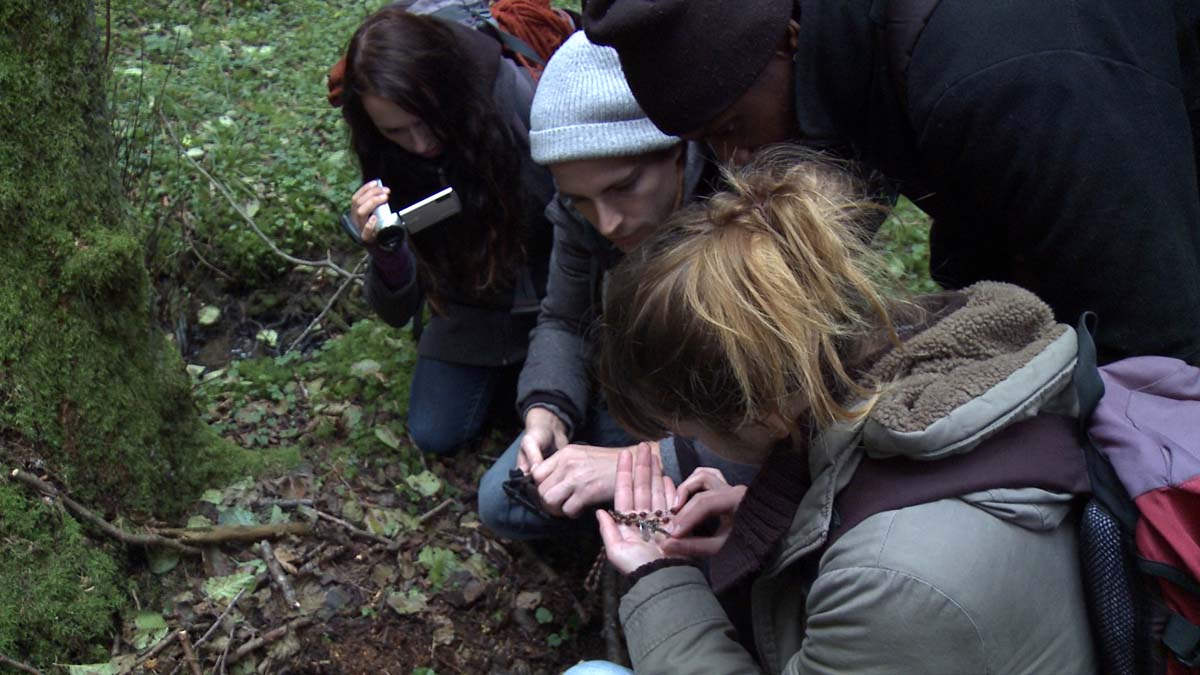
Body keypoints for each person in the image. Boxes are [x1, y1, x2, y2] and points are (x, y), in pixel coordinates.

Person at [582, 149, 1097, 673]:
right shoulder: (936, 372)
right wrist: (783, 516)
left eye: (680, 425)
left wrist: (659, 580)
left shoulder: (890, 577)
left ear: (764, 413)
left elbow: (889, 584)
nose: (680, 438)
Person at [582, 0, 1200, 365]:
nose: (738, 162)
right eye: (710, 145)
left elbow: (1154, 343)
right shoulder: (852, 49)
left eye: (733, 127)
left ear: (786, 41)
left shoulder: (1004, 79)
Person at [476, 33, 756, 540]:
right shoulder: (581, 216)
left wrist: (642, 461)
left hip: (730, 430)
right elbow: (564, 317)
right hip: (636, 399)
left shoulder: (743, 212)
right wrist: (546, 408)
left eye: (623, 187)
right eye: (579, 198)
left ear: (676, 154)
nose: (605, 221)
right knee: (506, 501)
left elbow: (782, 417)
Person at [338, 7, 556, 455]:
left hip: (551, 304)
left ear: (447, 90)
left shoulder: (513, 101)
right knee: (434, 432)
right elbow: (397, 310)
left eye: (425, 120)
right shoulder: (384, 151)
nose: (419, 143)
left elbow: (578, 229)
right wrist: (387, 252)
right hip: (468, 313)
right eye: (397, 130)